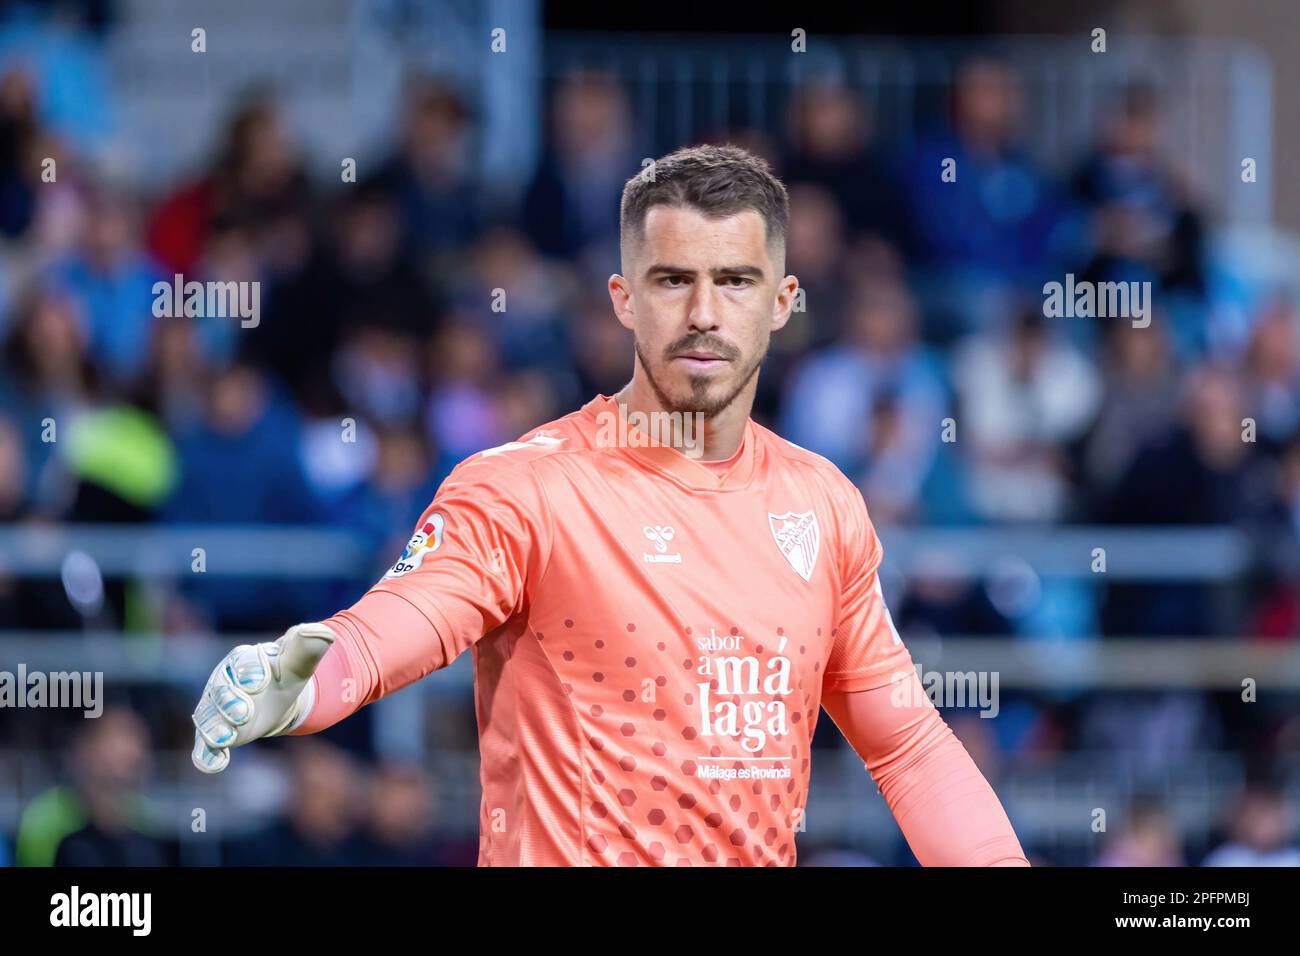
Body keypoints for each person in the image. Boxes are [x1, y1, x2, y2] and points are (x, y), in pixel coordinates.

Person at [190, 145, 1027, 867]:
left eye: (735, 281)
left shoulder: (824, 504)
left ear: (782, 302)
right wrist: (306, 682)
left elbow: (909, 749)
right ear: (625, 299)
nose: (704, 314)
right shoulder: (526, 486)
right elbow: (404, 621)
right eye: (674, 281)